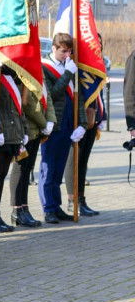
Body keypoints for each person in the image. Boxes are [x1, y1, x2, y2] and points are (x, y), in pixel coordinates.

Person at [39, 33, 87, 223]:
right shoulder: (45, 67)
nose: (67, 55)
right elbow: (52, 94)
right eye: (63, 51)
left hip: (68, 122)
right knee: (48, 169)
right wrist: (67, 73)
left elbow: (79, 97)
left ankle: (56, 206)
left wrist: (82, 124)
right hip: (53, 123)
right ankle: (48, 208)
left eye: (69, 51)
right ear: (54, 48)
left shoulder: (70, 68)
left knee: (59, 169)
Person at [0, 66, 26, 233]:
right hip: (0, 133)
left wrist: (24, 129)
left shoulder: (12, 77)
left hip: (13, 132)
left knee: (1, 175)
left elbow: (17, 108)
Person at [9, 77, 54, 227]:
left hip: (37, 129)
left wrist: (50, 120)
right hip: (26, 127)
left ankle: (24, 207)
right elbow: (26, 102)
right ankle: (17, 210)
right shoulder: (23, 67)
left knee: (28, 169)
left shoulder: (38, 66)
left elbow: (47, 97)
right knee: (20, 168)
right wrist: (43, 122)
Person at [65, 88, 104, 217]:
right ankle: (73, 199)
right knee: (74, 160)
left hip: (93, 114)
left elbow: (98, 89)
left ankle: (81, 198)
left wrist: (103, 116)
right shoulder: (76, 67)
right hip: (77, 116)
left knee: (83, 162)